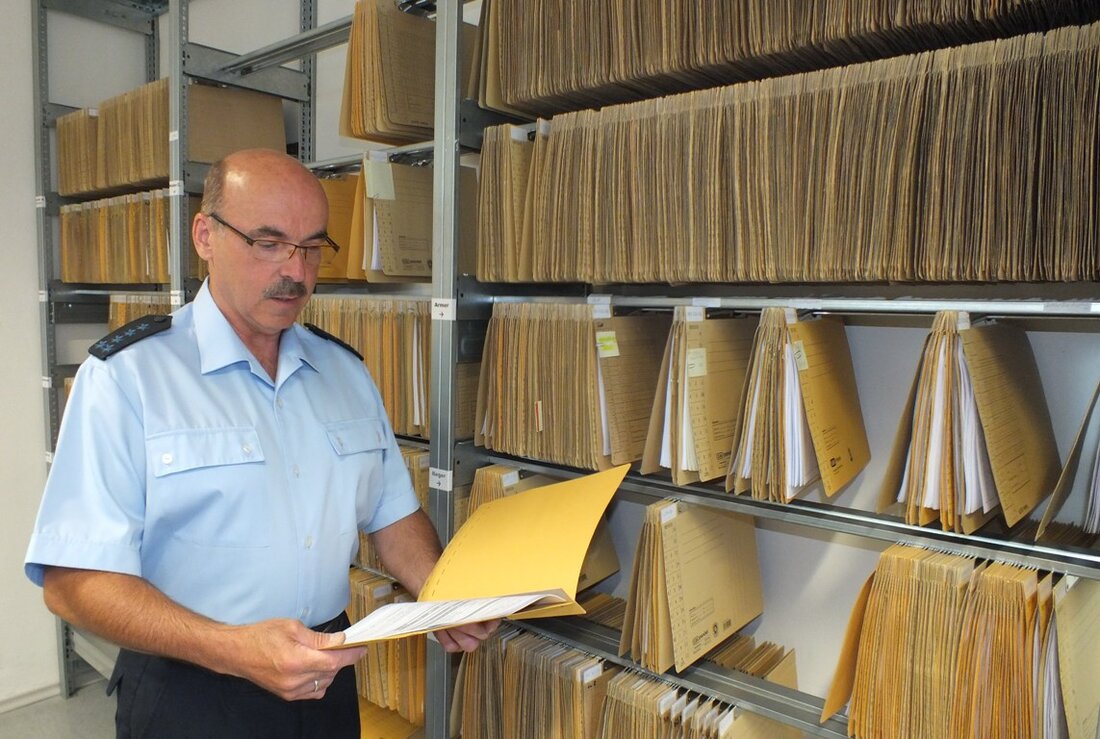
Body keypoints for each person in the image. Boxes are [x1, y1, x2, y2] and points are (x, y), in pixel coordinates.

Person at [25, 148, 495, 738]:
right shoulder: (128, 377)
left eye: (312, 247)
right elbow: (73, 583)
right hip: (190, 690)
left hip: (326, 681)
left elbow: (391, 513)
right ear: (206, 236)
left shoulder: (345, 373)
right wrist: (230, 649)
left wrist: (442, 596)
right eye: (268, 243)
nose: (295, 272)